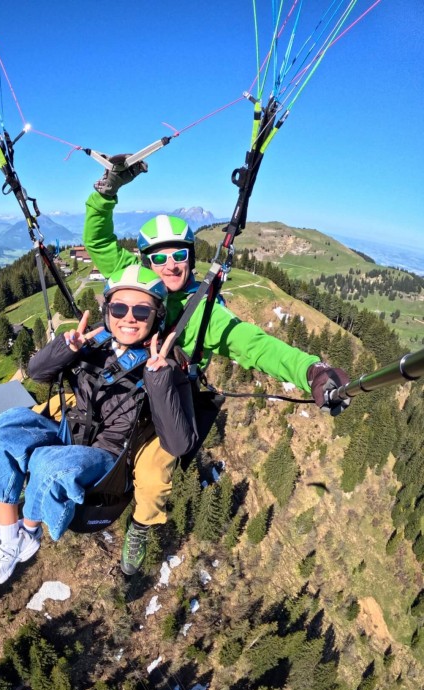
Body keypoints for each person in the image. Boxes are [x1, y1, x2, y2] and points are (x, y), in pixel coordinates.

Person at [83, 155, 350, 573]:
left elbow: (256, 346)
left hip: (162, 407)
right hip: (116, 386)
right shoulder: (128, 274)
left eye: (179, 255)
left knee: (152, 481)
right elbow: (98, 241)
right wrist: (106, 192)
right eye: (159, 258)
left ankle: (140, 526)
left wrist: (311, 370)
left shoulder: (204, 312)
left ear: (191, 257)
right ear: (144, 261)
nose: (171, 265)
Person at [0, 264, 199, 589]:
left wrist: (160, 377)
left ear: (156, 316)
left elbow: (178, 443)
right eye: (119, 308)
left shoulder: (167, 363)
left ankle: (30, 532)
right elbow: (37, 373)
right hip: (69, 429)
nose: (129, 317)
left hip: (106, 456)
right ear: (108, 310)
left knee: (49, 465)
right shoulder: (94, 343)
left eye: (141, 310)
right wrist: (66, 349)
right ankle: (11, 536)